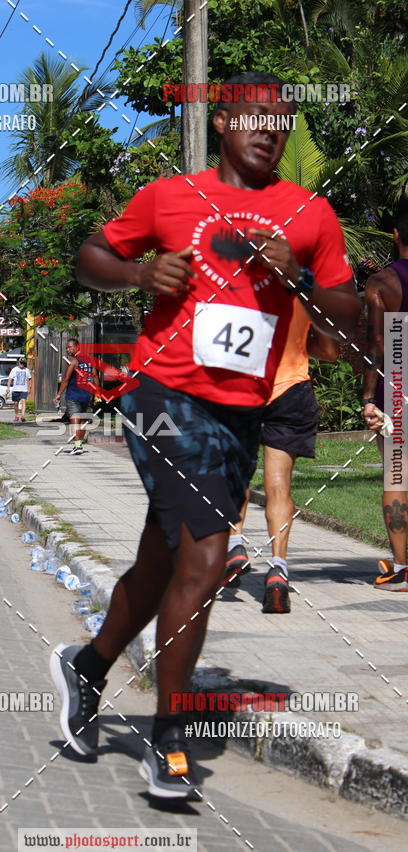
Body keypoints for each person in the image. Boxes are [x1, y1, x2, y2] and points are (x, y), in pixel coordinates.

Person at [49, 71, 360, 799]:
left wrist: (302, 282)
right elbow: (90, 256)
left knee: (167, 560)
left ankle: (87, 667)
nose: (269, 131)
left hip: (239, 412)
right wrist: (137, 271)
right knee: (212, 550)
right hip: (160, 395)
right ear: (221, 123)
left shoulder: (311, 214)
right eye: (255, 118)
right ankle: (170, 738)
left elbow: (345, 311)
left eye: (281, 122)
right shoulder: (168, 197)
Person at [227, 298, 339, 613]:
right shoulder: (305, 290)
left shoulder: (237, 284)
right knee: (279, 485)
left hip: (242, 388)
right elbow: (330, 351)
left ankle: (235, 544)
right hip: (292, 391)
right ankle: (278, 568)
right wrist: (300, 347)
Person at [363, 197, 408, 590]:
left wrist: (367, 398)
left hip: (398, 381)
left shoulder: (382, 283)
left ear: (396, 236)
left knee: (397, 475)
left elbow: (378, 342)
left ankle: (402, 567)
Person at [53, 338, 99, 454]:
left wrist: (58, 394)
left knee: (75, 421)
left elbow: (66, 379)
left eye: (70, 347)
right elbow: (95, 377)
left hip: (74, 395)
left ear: (77, 347)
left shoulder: (74, 361)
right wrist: (97, 393)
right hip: (87, 395)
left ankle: (78, 446)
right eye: (67, 348)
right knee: (82, 422)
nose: (68, 350)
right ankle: (79, 445)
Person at [8, 358, 31, 423]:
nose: (22, 365)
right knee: (16, 403)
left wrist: (29, 388)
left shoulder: (27, 370)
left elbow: (28, 379)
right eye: (21, 363)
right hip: (15, 389)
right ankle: (16, 415)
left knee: (23, 401)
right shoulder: (14, 369)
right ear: (19, 363)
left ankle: (23, 416)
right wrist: (8, 387)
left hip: (24, 389)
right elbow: (10, 379)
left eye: (23, 363)